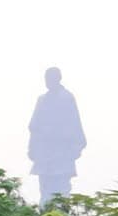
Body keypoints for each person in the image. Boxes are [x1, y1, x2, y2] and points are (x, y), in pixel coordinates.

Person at [27, 67, 86, 206]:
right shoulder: (41, 100)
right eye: (46, 79)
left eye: (51, 78)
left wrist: (73, 148)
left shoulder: (67, 98)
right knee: (45, 190)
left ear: (58, 78)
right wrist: (32, 148)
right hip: (44, 152)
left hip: (61, 152)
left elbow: (74, 124)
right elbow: (33, 126)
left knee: (61, 190)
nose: (48, 82)